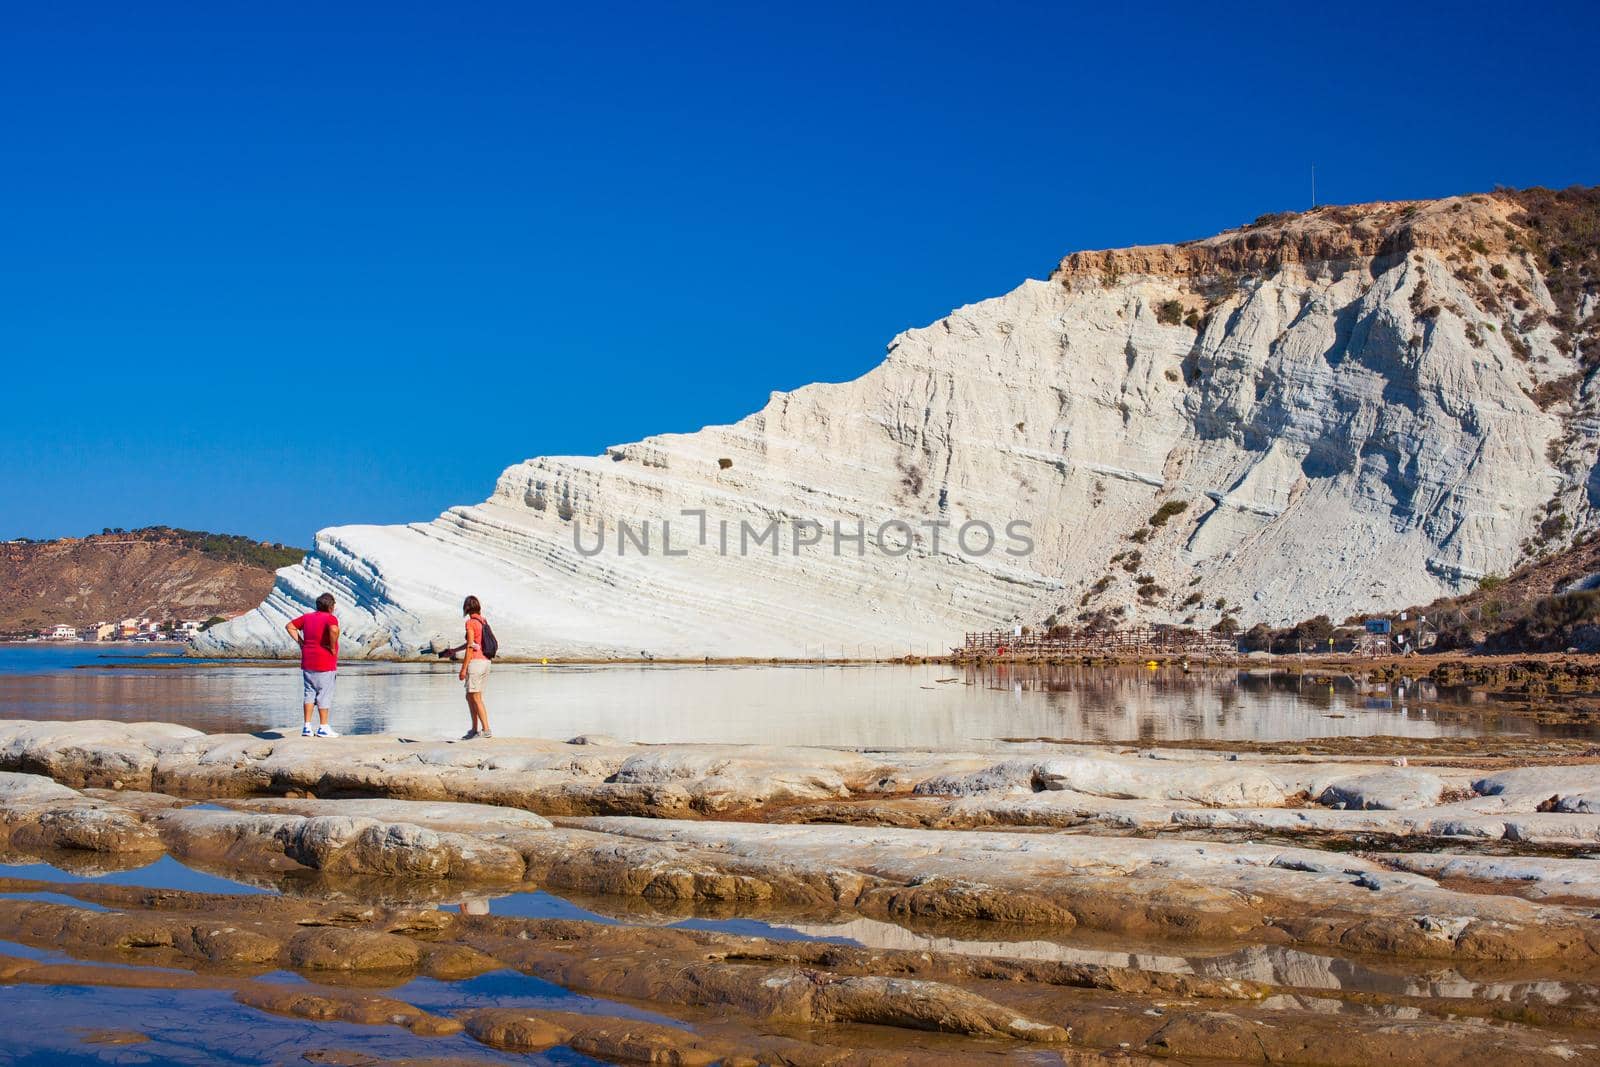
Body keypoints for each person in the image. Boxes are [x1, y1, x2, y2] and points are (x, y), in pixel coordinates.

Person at [286, 593, 340, 738]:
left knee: (309, 693)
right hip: (325, 661)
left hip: (308, 661)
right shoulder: (330, 618)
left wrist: (301, 642)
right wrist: (333, 646)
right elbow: (334, 630)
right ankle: (323, 727)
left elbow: (290, 626)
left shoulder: (307, 617)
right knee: (324, 694)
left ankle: (307, 727)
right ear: (330, 607)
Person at [440, 595, 492, 739]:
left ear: (467, 608)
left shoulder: (470, 623)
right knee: (471, 696)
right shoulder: (482, 621)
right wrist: (454, 651)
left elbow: (470, 647)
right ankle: (475, 729)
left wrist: (463, 669)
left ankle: (486, 730)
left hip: (476, 663)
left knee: (475, 697)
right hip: (486, 662)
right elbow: (473, 642)